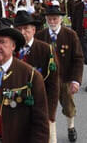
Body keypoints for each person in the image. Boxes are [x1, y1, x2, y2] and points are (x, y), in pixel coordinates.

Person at [35, 3, 84, 142]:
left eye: (55, 19)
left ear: (61, 19)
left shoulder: (71, 35)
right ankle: (52, 138)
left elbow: (78, 58)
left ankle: (71, 127)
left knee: (69, 108)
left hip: (65, 79)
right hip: (46, 81)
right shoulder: (40, 36)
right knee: (49, 111)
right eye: (49, 19)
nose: (52, 22)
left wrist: (76, 80)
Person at [13, 10, 59, 143]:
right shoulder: (10, 49)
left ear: (33, 30)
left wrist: (50, 114)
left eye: (26, 28)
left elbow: (53, 86)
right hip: (16, 108)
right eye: (19, 29)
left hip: (40, 108)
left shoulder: (46, 50)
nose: (22, 32)